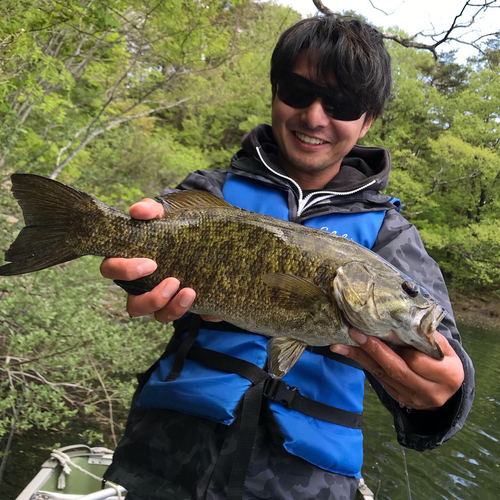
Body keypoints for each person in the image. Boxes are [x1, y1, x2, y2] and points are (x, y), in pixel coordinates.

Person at [101, 15, 474, 500]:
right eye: (298, 92)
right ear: (275, 90)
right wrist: (137, 281)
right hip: (165, 458)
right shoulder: (211, 192)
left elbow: (443, 349)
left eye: (341, 104)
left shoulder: (391, 237)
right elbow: (148, 265)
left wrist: (443, 397)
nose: (315, 117)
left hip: (303, 484)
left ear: (367, 120)